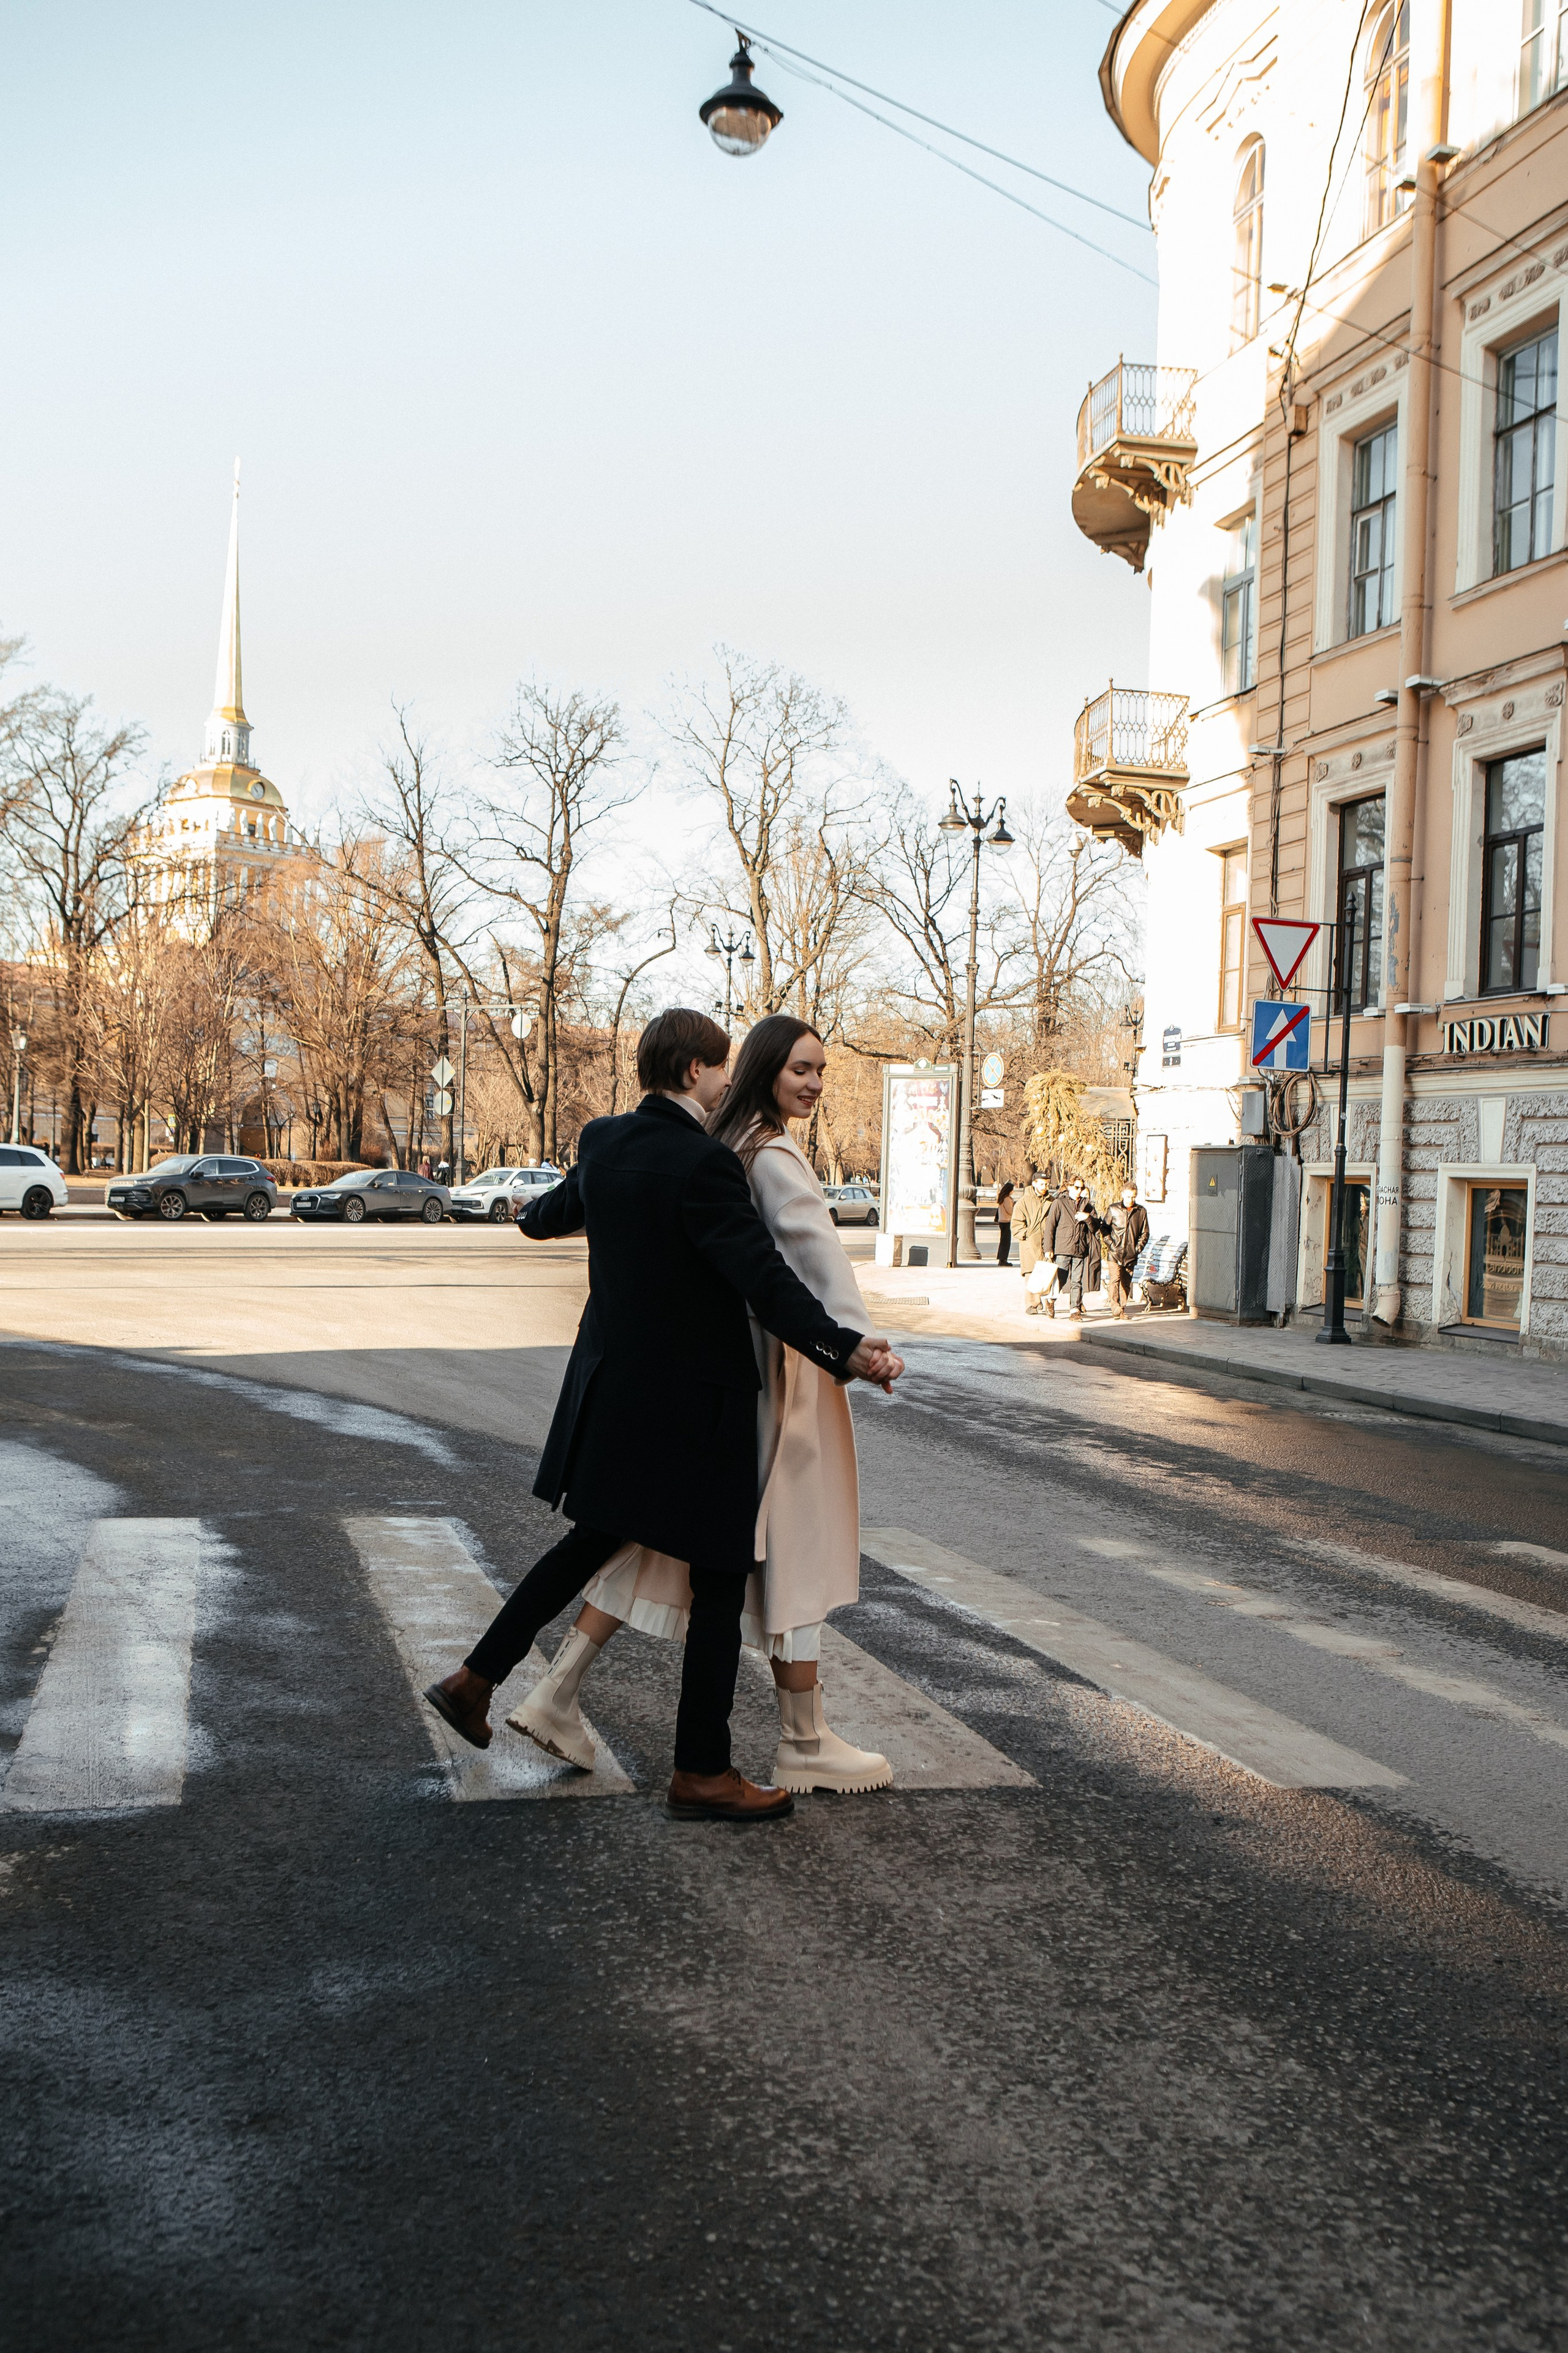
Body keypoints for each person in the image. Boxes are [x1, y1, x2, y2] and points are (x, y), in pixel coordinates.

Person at [423, 1007, 901, 1825]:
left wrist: (529, 1216)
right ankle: (703, 1772)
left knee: (586, 1547)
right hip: (698, 1412)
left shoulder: (606, 1141)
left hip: (612, 1400)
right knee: (719, 1578)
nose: (726, 1082)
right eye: (720, 1069)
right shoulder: (703, 1164)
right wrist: (844, 1347)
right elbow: (763, 1279)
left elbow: (546, 1216)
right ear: (693, 1073)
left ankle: (474, 1679)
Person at [1043, 1176, 1095, 1321]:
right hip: (1063, 1248)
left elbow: (1096, 1226)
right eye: (1077, 1187)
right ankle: (1051, 1300)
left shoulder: (1087, 1205)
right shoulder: (1060, 1203)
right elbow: (1050, 1227)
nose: (1079, 1191)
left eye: (1082, 1188)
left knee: (1077, 1282)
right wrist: (1048, 1248)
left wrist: (1088, 1218)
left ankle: (1075, 1311)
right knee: (1061, 1279)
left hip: (1080, 1248)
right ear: (1070, 1187)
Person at [1098, 1183, 1150, 1319]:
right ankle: (1115, 1307)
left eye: (1133, 1197)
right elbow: (1104, 1229)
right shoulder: (1114, 1209)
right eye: (1128, 1197)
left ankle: (1122, 1309)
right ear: (1122, 1195)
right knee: (1115, 1279)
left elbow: (1145, 1233)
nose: (1130, 1200)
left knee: (1126, 1283)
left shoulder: (1141, 1212)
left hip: (1131, 1254)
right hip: (1115, 1253)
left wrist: (1137, 1249)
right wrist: (1111, 1244)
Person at [1012, 1171, 1054, 1314]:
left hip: (1045, 1243)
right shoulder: (1023, 1202)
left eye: (1047, 1184)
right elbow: (1017, 1224)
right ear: (1034, 1184)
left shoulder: (1051, 1201)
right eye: (1042, 1184)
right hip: (1029, 1244)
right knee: (1031, 1273)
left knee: (1045, 1272)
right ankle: (1031, 1304)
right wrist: (1027, 1235)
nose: (1045, 1187)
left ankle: (1043, 1299)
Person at [994, 1180, 1015, 1267]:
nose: (1013, 1191)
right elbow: (1010, 1211)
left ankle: (1001, 1259)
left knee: (1003, 1241)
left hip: (1002, 1221)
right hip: (1007, 1221)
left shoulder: (1002, 1198)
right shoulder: (1007, 1199)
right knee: (1006, 1242)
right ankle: (1003, 1259)